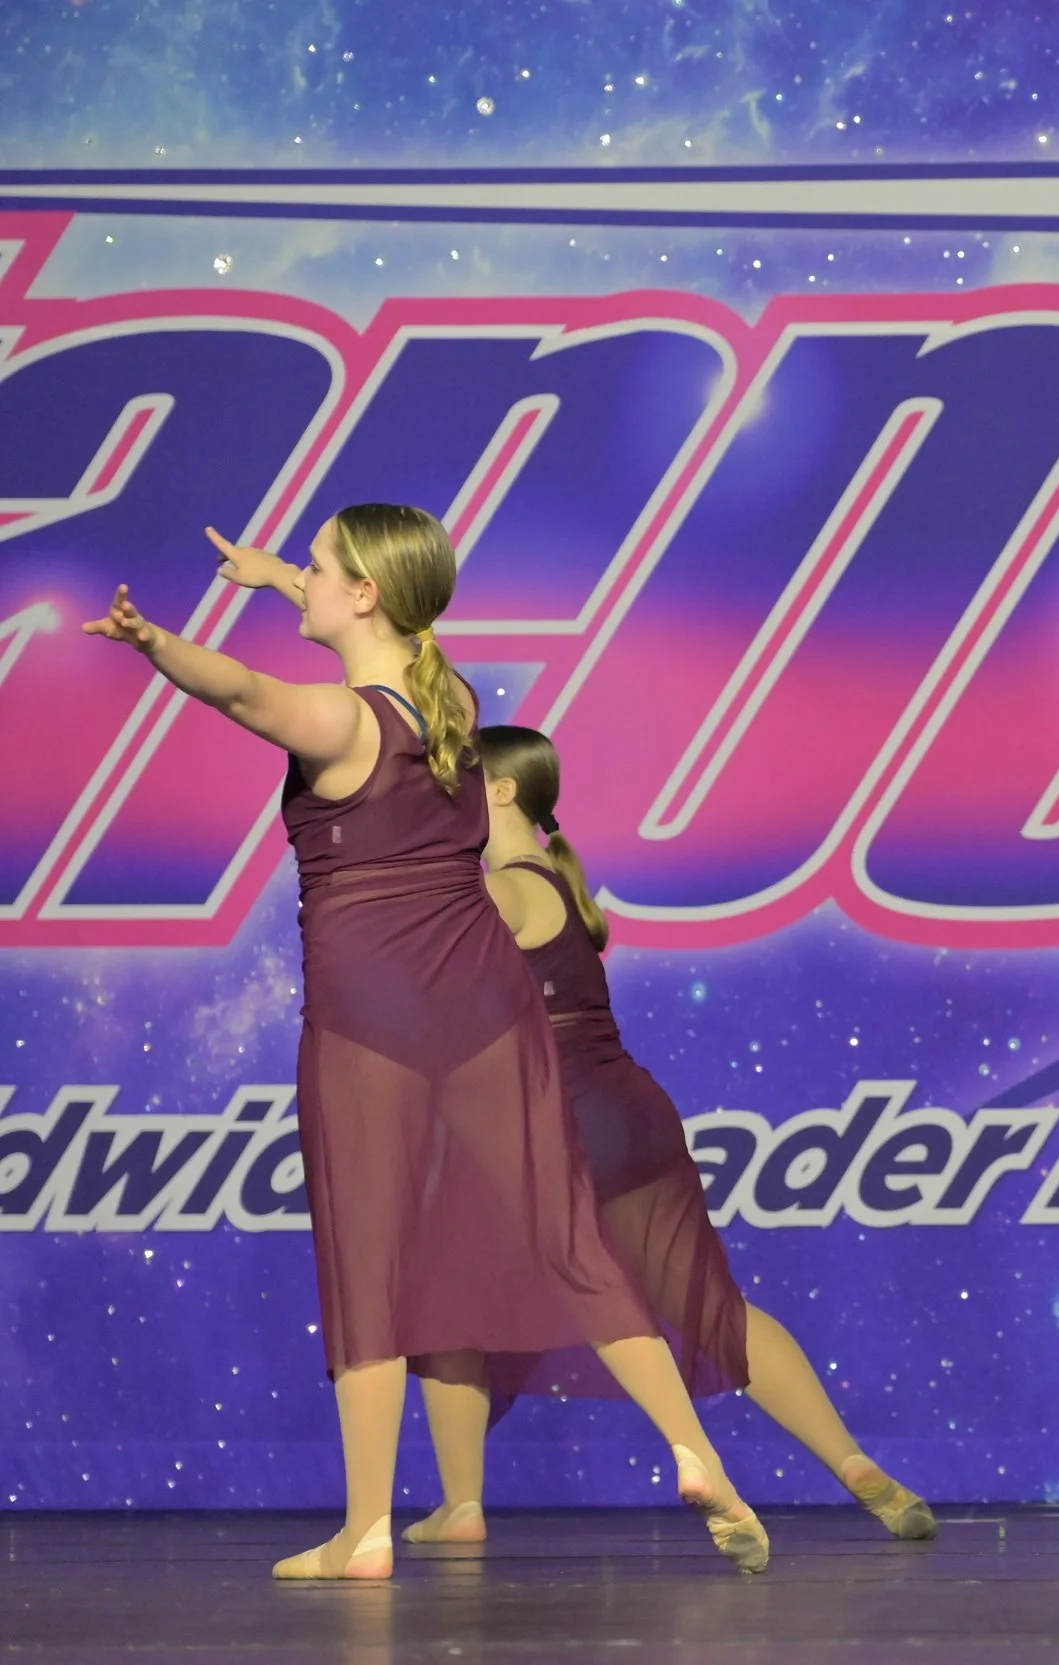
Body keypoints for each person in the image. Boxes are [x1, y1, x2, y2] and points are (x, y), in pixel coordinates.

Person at [85, 509, 766, 1579]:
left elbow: (240, 692)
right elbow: (374, 638)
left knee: (370, 1256)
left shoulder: (339, 721)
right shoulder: (449, 703)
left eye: (318, 566)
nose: (304, 577)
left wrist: (153, 642)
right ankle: (694, 1450)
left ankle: (363, 1532)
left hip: (374, 1019)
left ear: (364, 594)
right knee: (566, 1237)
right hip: (488, 1007)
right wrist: (276, 577)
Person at [398, 725, 936, 1547]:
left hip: (556, 1120)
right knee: (711, 1306)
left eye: (454, 780)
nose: (441, 794)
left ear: (501, 792)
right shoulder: (555, 882)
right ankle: (852, 1460)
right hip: (627, 1115)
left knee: (448, 1305)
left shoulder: (505, 888)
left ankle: (466, 1506)